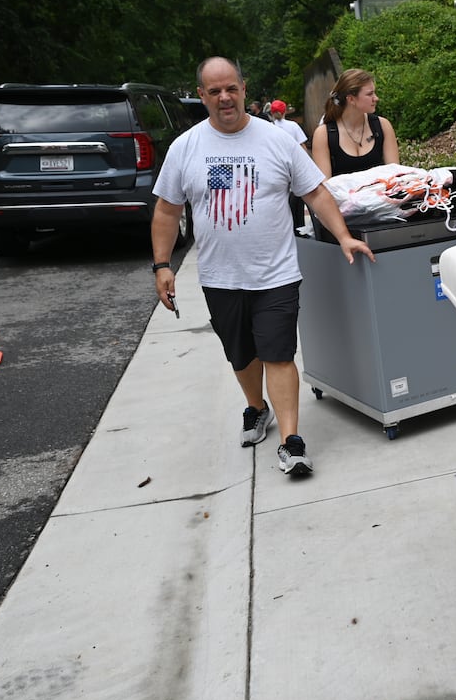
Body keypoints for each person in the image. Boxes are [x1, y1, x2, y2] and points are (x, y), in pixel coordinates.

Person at [150, 57, 375, 478]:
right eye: (214, 91)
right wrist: (163, 265)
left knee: (278, 353)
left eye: (231, 88)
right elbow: (166, 211)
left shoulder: (276, 140)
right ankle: (257, 408)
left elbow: (316, 193)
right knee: (240, 354)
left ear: (243, 88)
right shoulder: (186, 147)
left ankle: (292, 442)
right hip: (220, 275)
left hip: (275, 273)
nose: (224, 98)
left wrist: (343, 235)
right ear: (202, 96)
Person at [310, 69, 401, 243]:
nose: (376, 98)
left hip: (383, 214)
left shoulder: (382, 126)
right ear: (351, 99)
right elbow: (326, 190)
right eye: (370, 94)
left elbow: (395, 176)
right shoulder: (324, 134)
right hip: (345, 220)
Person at [268, 99, 310, 234]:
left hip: (275, 167)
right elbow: (302, 146)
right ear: (284, 111)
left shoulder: (268, 127)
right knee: (297, 199)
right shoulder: (293, 126)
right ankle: (298, 227)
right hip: (293, 166)